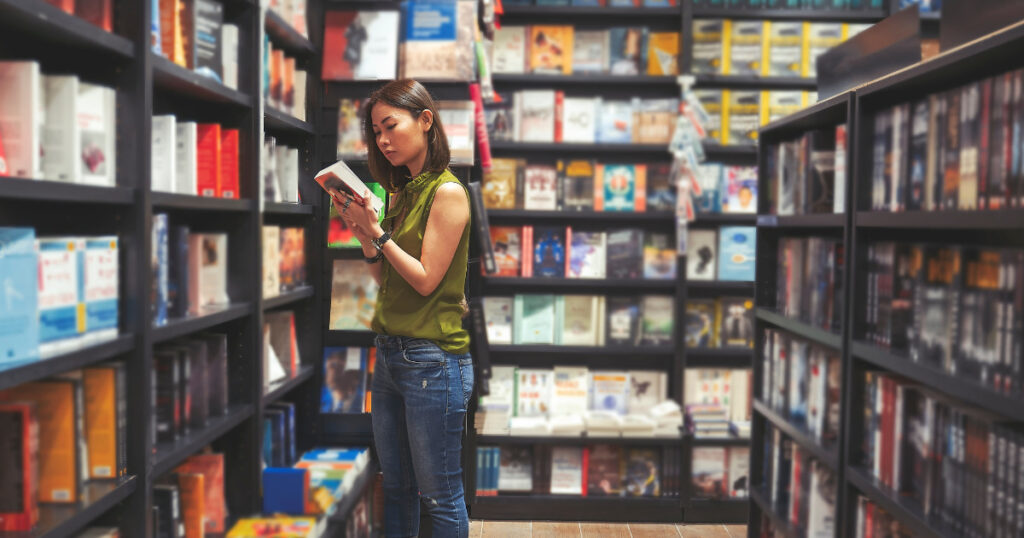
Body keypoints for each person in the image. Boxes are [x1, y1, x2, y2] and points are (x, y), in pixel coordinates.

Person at [329, 79, 473, 538]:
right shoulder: (402, 190)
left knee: (441, 496)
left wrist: (379, 234)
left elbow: (427, 280)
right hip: (391, 354)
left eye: (390, 126)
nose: (383, 140)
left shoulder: (447, 193)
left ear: (425, 120)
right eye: (375, 132)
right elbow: (387, 280)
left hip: (433, 360)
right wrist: (363, 233)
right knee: (395, 488)